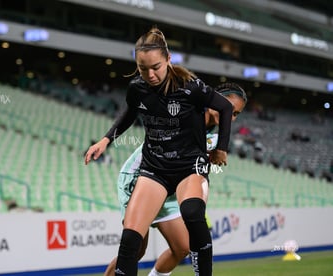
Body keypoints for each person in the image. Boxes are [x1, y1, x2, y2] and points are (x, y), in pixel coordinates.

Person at [84, 27, 233, 275]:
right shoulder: (137, 88)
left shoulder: (190, 87)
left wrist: (221, 149)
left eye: (156, 67)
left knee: (192, 212)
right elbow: (129, 114)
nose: (150, 74)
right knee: (131, 242)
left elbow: (226, 108)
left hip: (189, 166)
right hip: (155, 168)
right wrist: (106, 140)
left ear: (168, 60)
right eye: (143, 69)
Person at [104, 82, 247, 276]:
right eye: (228, 107)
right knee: (136, 250)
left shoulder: (216, 135)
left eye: (236, 114)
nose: (230, 116)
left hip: (171, 186)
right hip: (142, 177)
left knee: (182, 247)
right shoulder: (186, 110)